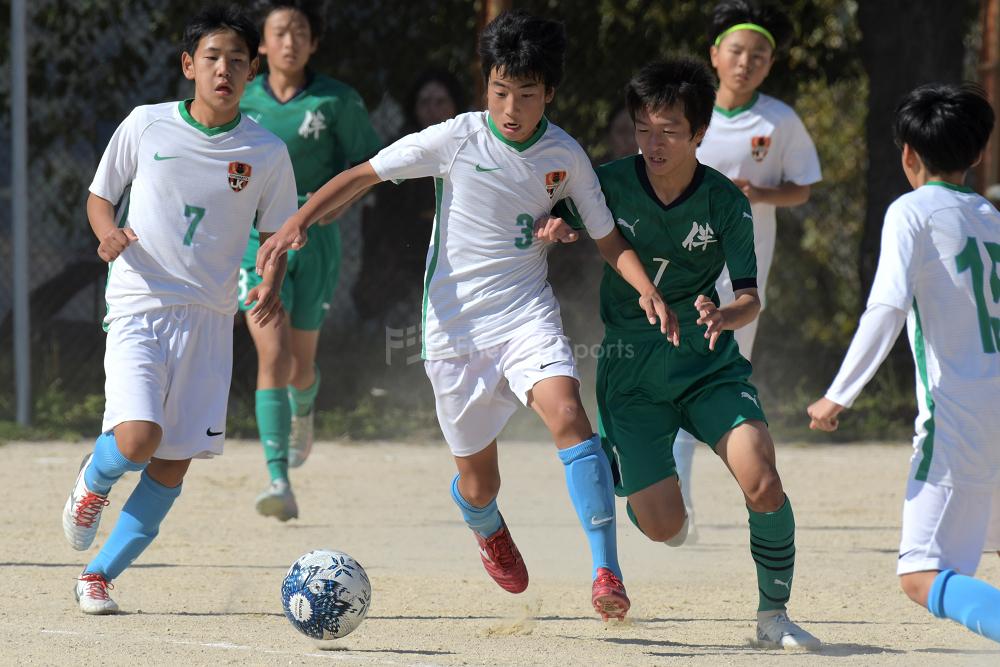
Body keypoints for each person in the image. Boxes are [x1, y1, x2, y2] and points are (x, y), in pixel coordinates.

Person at [257, 10, 679, 621]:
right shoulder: (456, 137)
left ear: (549, 93)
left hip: (526, 314)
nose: (511, 107)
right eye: (499, 90)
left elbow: (608, 238)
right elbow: (361, 175)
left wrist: (646, 288)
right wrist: (296, 222)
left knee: (569, 414)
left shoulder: (565, 154)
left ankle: (606, 572)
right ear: (486, 85)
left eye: (526, 94)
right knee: (481, 485)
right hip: (453, 331)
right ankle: (485, 525)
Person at [554, 57, 821, 649]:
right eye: (643, 129)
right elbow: (555, 217)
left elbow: (750, 298)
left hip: (707, 366)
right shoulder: (607, 183)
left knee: (763, 480)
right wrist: (558, 229)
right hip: (633, 377)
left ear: (699, 132)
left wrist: (726, 314)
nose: (653, 143)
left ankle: (773, 617)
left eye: (669, 131)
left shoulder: (725, 201)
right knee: (665, 528)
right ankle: (623, 470)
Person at [61, 4, 297, 614]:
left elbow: (277, 235)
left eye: (237, 61)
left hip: (210, 321)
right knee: (138, 439)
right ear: (189, 64)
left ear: (252, 72)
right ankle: (94, 478)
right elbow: (99, 197)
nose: (224, 70)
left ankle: (98, 576)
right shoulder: (146, 124)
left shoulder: (267, 150)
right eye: (213, 57)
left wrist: (271, 280)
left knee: (171, 466)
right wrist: (108, 235)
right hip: (140, 303)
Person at [808, 83, 1000, 644]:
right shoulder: (990, 216)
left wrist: (838, 394)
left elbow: (887, 308)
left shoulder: (911, 211)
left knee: (920, 573)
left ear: (908, 154)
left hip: (959, 416)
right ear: (977, 154)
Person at [672, 0, 822, 539]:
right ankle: (677, 505)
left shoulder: (778, 121)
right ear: (715, 54)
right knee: (678, 379)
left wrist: (758, 193)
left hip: (741, 283)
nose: (745, 62)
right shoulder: (687, 113)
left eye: (759, 55)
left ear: (770, 63)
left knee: (715, 383)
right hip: (680, 270)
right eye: (736, 51)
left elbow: (802, 187)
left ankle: (709, 499)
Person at [238, 0, 382, 521]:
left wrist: (333, 206)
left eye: (300, 31)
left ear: (314, 42)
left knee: (300, 368)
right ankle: (278, 478)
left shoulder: (337, 100)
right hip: (256, 241)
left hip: (314, 241)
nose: (290, 40)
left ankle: (304, 407)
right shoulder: (240, 98)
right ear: (261, 42)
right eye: (280, 31)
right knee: (273, 356)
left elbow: (370, 167)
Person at [353, 68, 466, 326]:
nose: (432, 110)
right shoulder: (402, 148)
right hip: (404, 258)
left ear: (455, 105)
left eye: (440, 102)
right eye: (424, 102)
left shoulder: (473, 148)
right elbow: (363, 181)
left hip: (458, 254)